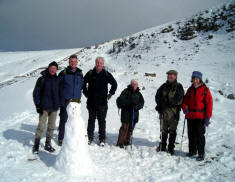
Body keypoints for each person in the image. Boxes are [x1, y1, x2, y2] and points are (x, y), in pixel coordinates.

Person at [83, 57, 117, 146]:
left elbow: (114, 84)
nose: (99, 64)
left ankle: (102, 139)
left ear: (103, 64)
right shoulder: (90, 73)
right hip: (91, 103)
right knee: (91, 120)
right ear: (95, 63)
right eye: (97, 62)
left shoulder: (106, 74)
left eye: (101, 63)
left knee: (102, 121)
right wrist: (86, 93)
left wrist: (110, 94)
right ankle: (90, 137)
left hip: (102, 103)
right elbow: (83, 83)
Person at [182, 71, 213, 161]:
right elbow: (184, 101)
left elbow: (209, 104)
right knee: (191, 134)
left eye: (197, 78)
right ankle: (192, 151)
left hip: (200, 116)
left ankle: (201, 153)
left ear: (200, 79)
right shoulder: (190, 90)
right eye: (194, 78)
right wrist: (184, 108)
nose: (195, 80)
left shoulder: (205, 90)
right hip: (190, 115)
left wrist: (207, 117)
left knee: (199, 135)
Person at [32, 61, 60, 154]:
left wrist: (60, 103)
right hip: (44, 107)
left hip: (54, 108)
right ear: (48, 68)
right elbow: (36, 93)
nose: (53, 70)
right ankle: (36, 145)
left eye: (55, 68)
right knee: (41, 126)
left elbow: (60, 93)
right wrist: (38, 105)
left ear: (56, 70)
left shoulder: (57, 79)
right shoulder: (42, 79)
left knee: (52, 127)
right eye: (51, 68)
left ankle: (48, 144)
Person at [155, 70, 184, 155]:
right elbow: (157, 96)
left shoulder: (178, 87)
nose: (170, 76)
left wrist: (168, 101)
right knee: (163, 130)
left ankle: (171, 147)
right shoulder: (163, 86)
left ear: (176, 76)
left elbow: (179, 99)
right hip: (163, 112)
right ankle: (163, 146)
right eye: (168, 75)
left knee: (172, 131)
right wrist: (160, 103)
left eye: (172, 75)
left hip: (173, 113)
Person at [58, 54, 84, 146]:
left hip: (76, 102)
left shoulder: (80, 74)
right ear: (69, 62)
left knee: (75, 120)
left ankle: (73, 137)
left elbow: (82, 86)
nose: (73, 63)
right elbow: (58, 87)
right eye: (71, 61)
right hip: (65, 101)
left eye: (75, 61)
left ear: (77, 62)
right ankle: (61, 138)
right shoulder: (63, 73)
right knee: (64, 119)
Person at [116, 79, 144, 148]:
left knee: (131, 129)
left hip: (134, 114)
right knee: (124, 129)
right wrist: (130, 103)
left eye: (136, 84)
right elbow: (121, 100)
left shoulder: (139, 93)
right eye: (134, 84)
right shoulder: (126, 91)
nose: (135, 85)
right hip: (126, 113)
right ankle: (120, 143)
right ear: (131, 84)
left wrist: (137, 106)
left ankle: (126, 141)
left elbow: (142, 102)